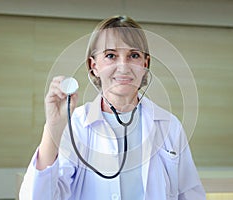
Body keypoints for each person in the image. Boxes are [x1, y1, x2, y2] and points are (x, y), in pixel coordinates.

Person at [19, 15, 206, 200]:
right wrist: (53, 129)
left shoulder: (169, 126)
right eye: (110, 56)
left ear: (145, 64)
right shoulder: (76, 125)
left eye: (134, 55)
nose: (123, 67)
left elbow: (190, 194)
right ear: (94, 67)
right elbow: (38, 196)